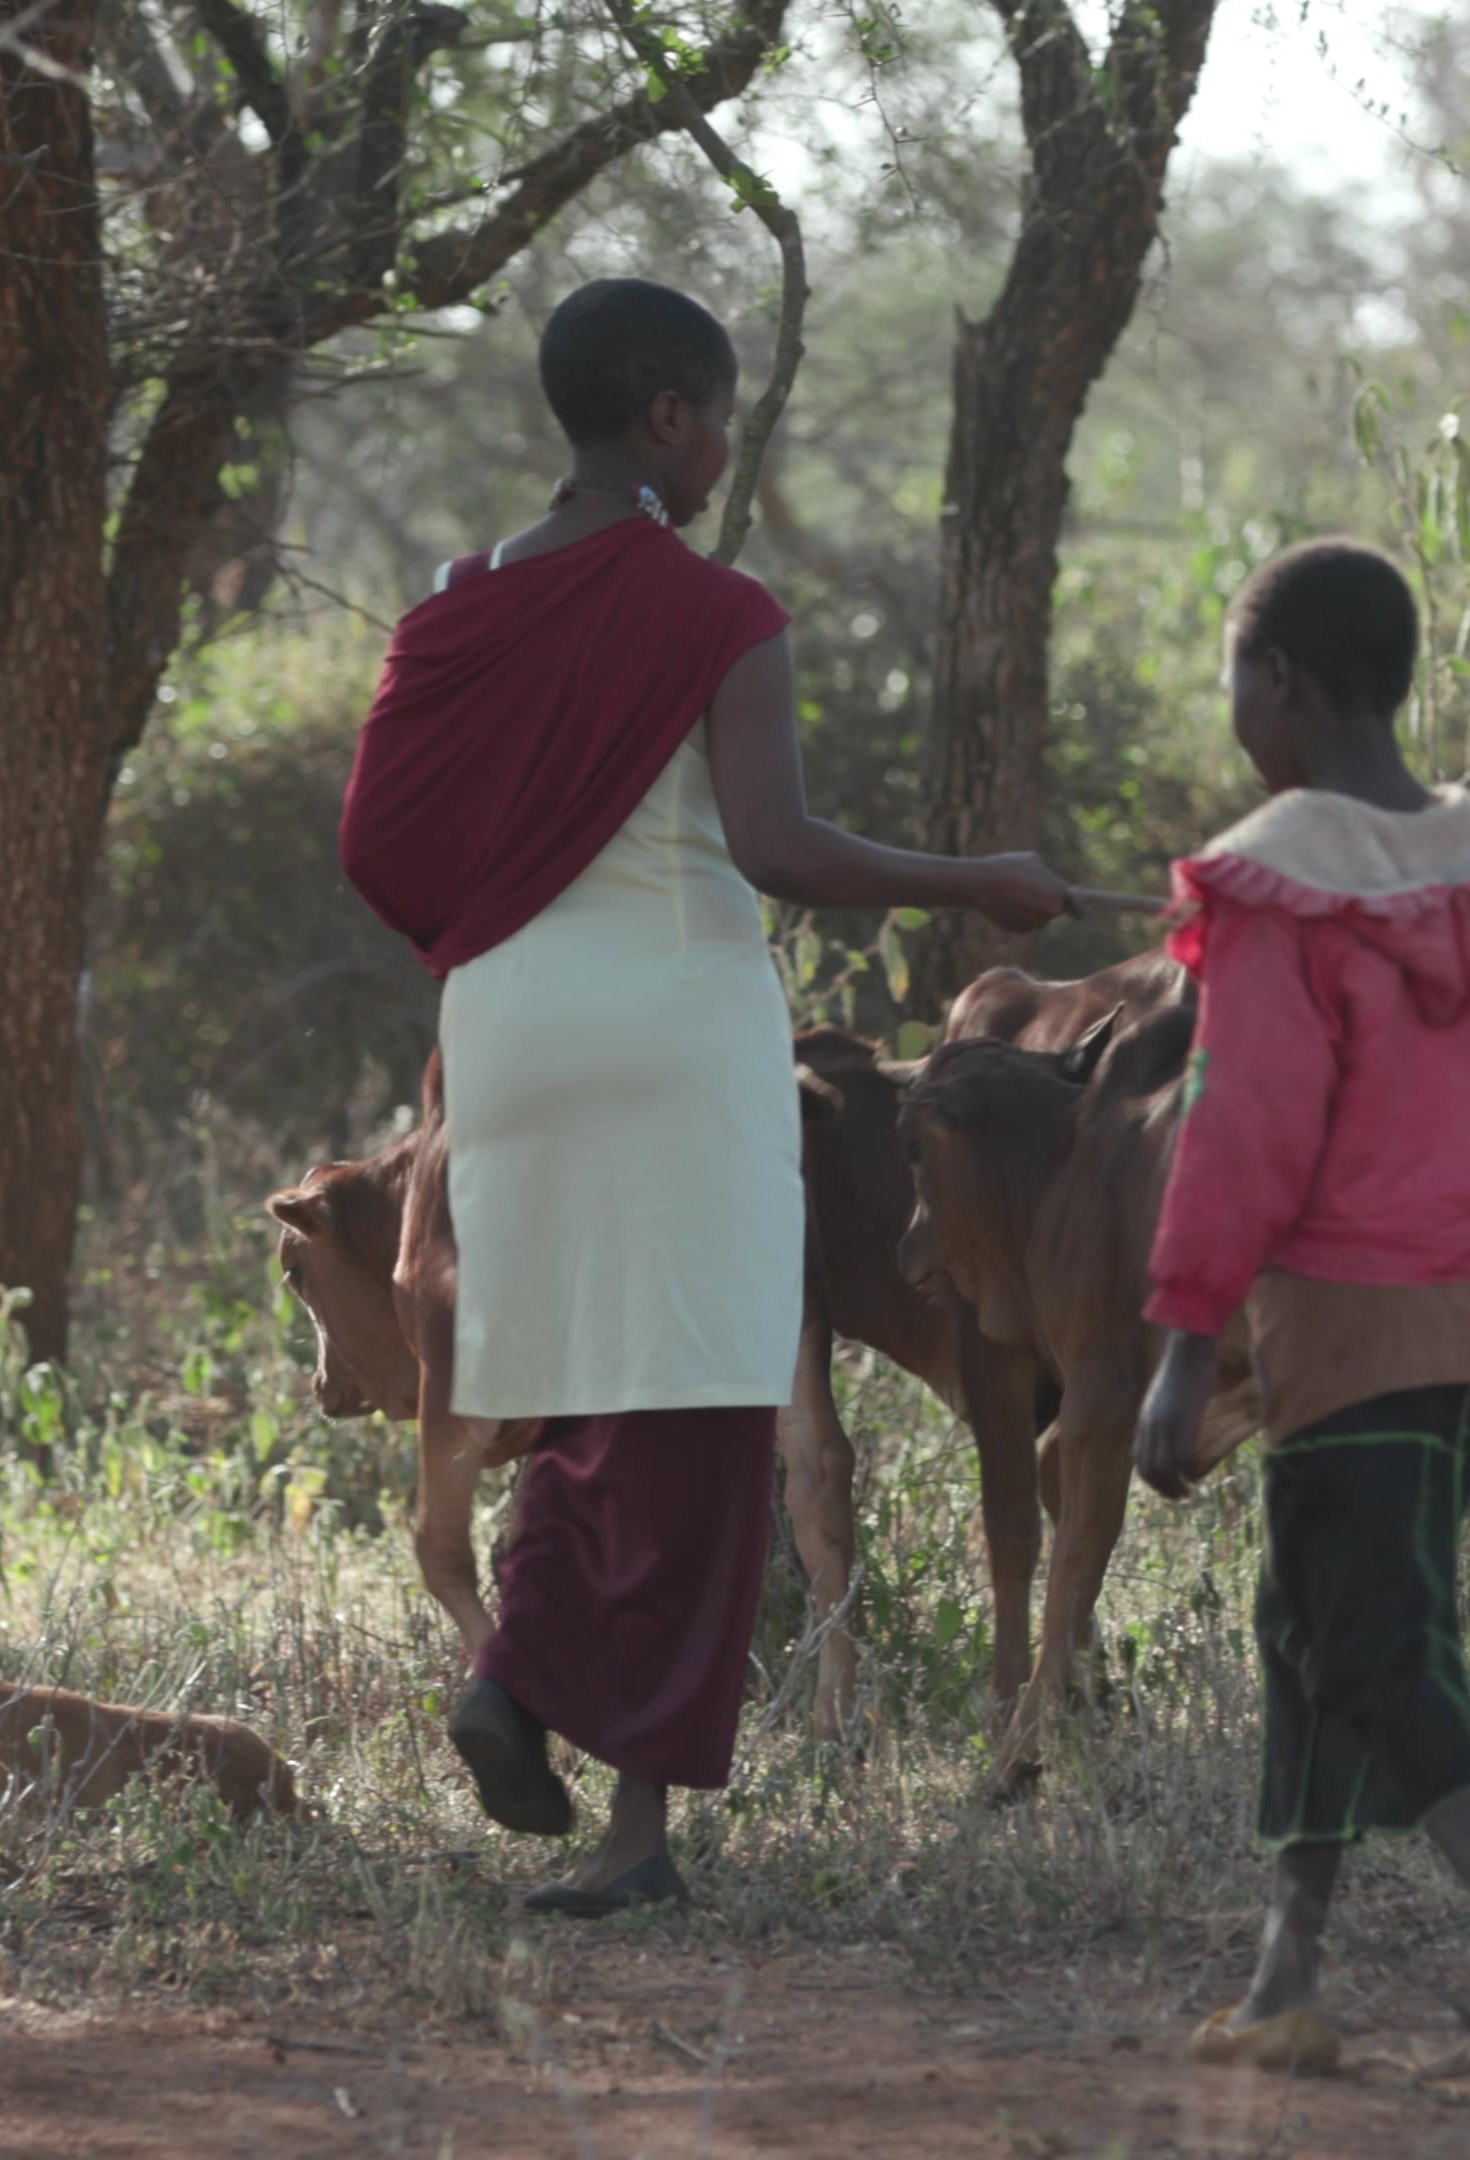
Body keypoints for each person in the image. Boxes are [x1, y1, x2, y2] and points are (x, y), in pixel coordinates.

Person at [338, 278, 1073, 1915]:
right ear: (666, 415)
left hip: (510, 1028)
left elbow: (379, 847)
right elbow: (778, 851)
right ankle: (618, 1814)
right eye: (720, 413)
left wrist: (497, 942)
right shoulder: (715, 610)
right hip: (675, 1023)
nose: (725, 442)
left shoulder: (455, 605)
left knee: (596, 1398)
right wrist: (983, 880)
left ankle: (522, 1682)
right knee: (701, 1411)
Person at [1129, 538, 1470, 2114]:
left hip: (1329, 1323)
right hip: (1458, 1325)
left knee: (1377, 1647)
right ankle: (1287, 1982)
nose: (1232, 709)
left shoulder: (1281, 881)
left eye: (1232, 678)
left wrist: (1188, 1341)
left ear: (1279, 682)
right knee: (1309, 1630)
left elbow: (1245, 1122)